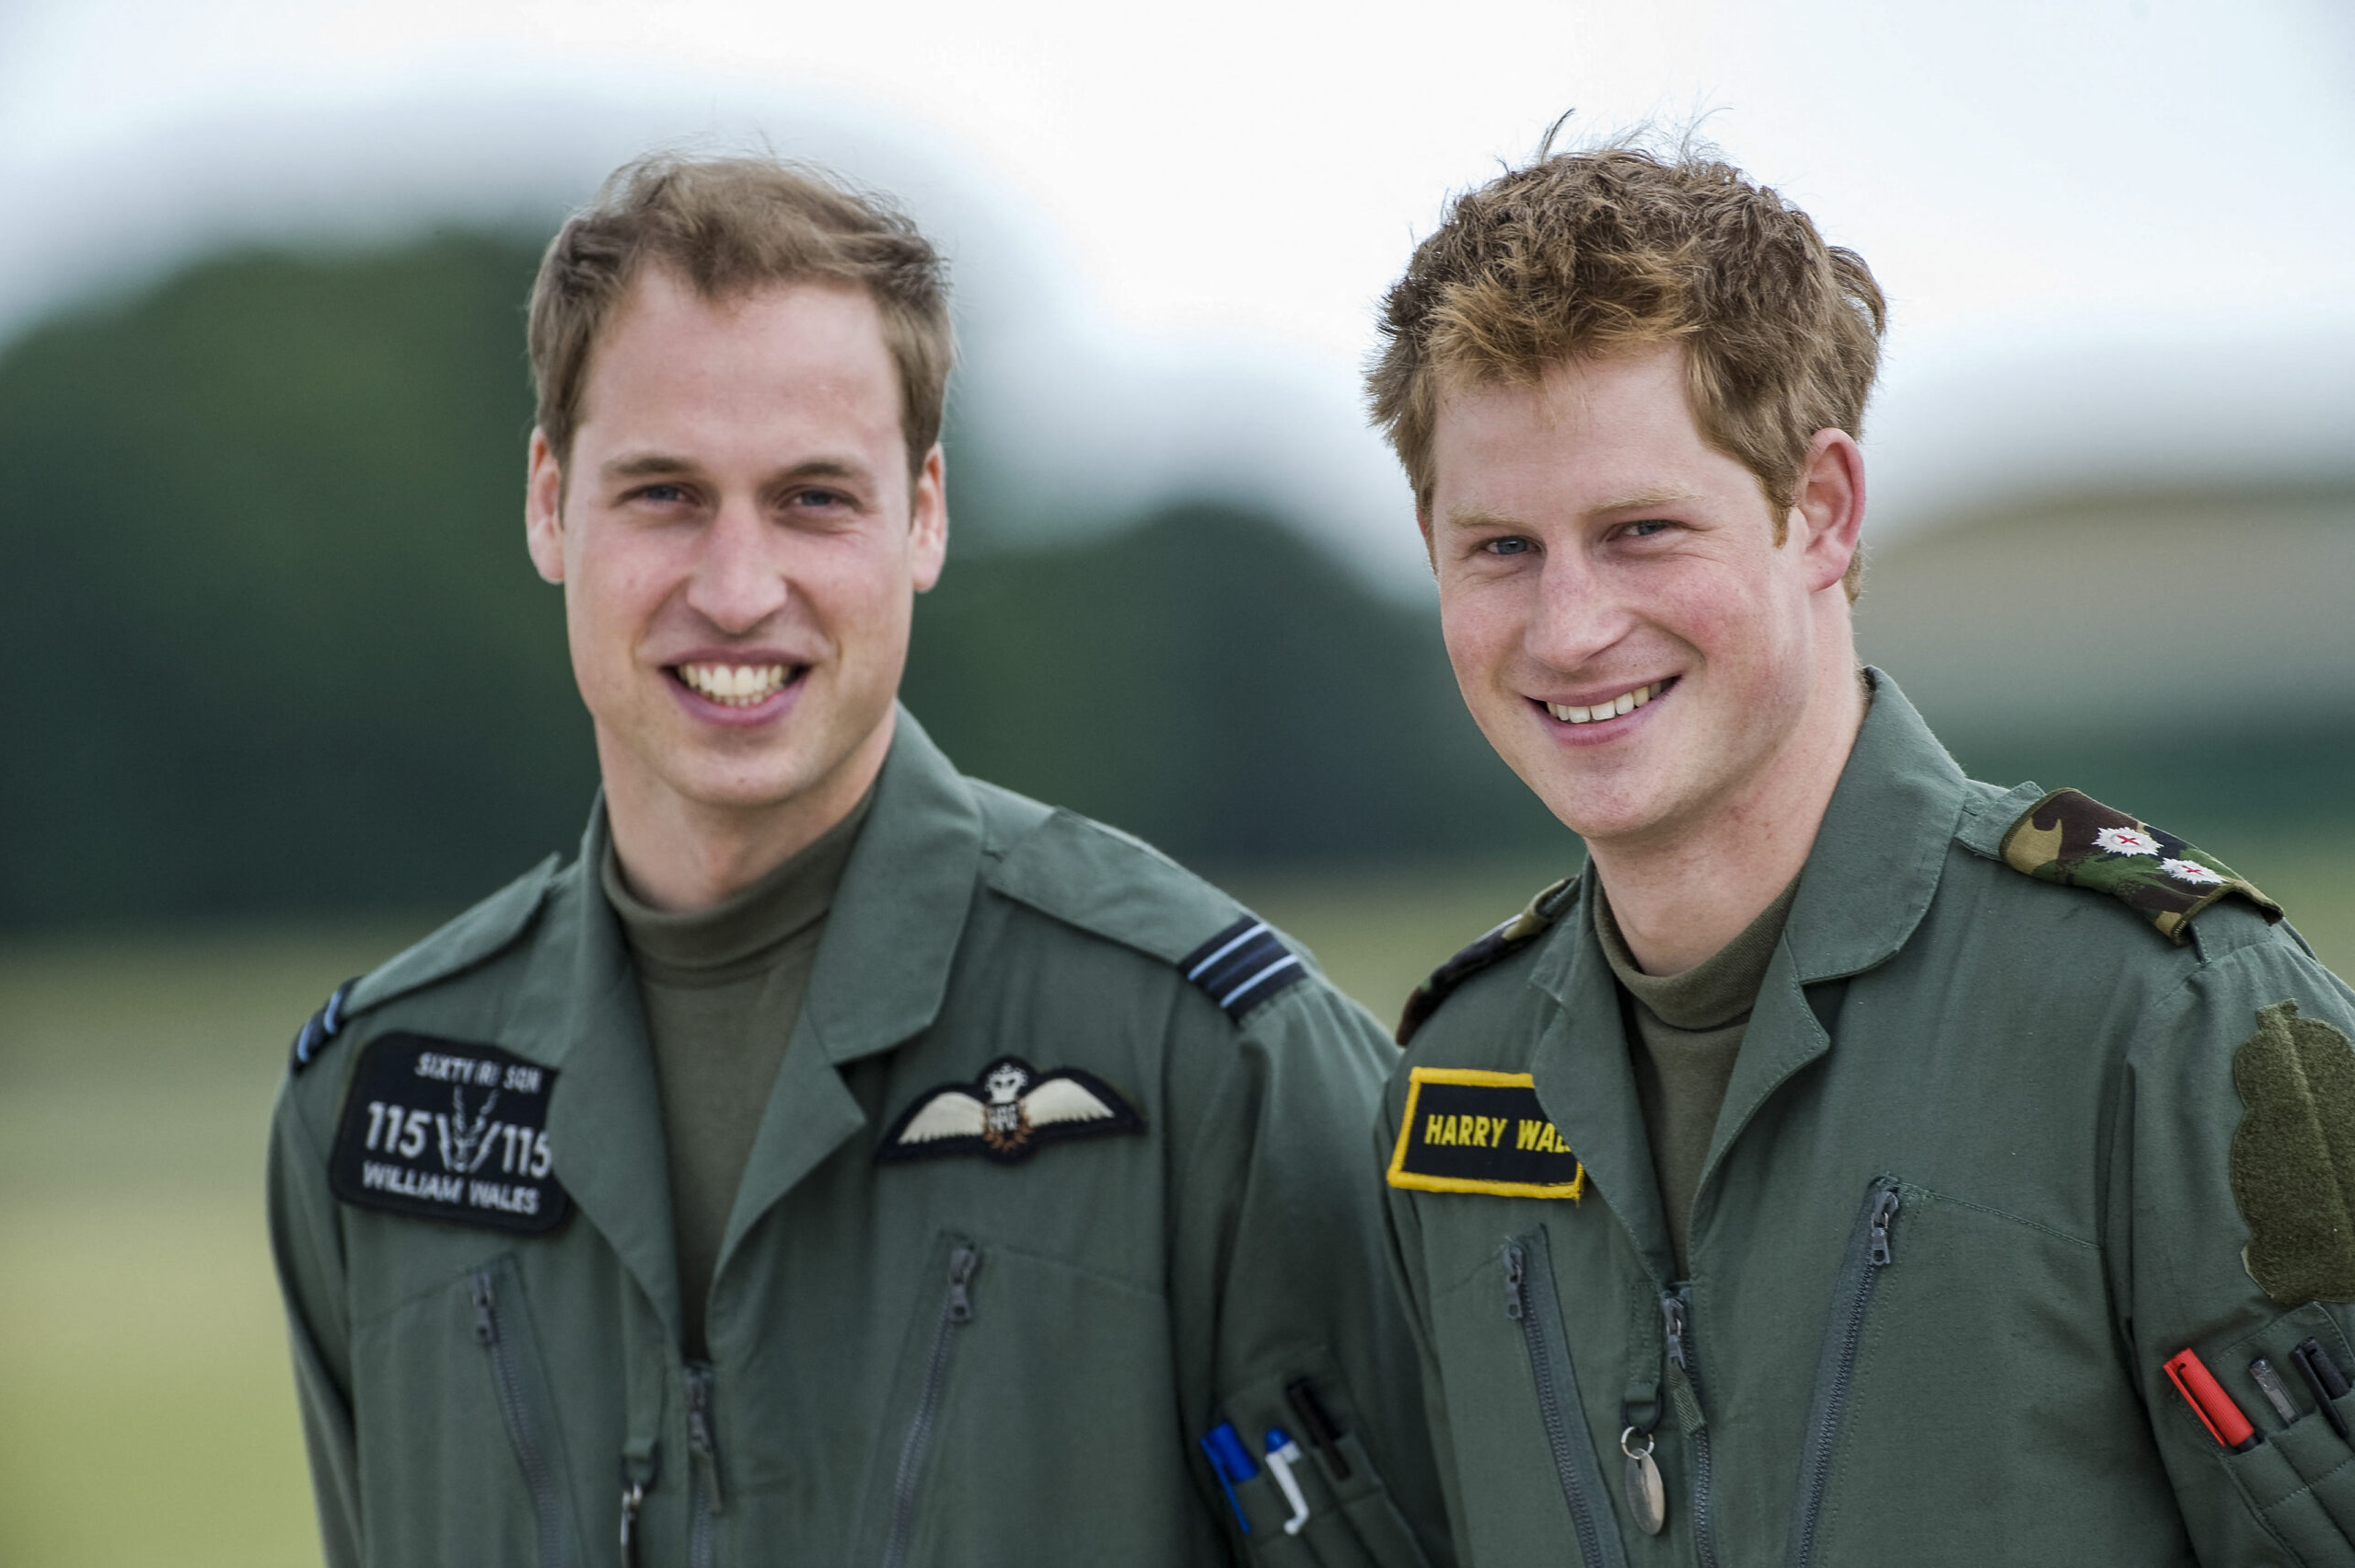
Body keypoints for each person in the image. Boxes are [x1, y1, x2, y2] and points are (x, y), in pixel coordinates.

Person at [264, 152, 1446, 1568]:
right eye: (664, 496)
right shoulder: (372, 1106)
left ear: (925, 513)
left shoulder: (1215, 1061)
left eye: (815, 498)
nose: (739, 588)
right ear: (546, 501)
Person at [1363, 138, 2355, 1567]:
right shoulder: (1454, 1076)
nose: (1569, 627)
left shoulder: (2167, 1020)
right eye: (1502, 548)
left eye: (1642, 531)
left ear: (1820, 509)